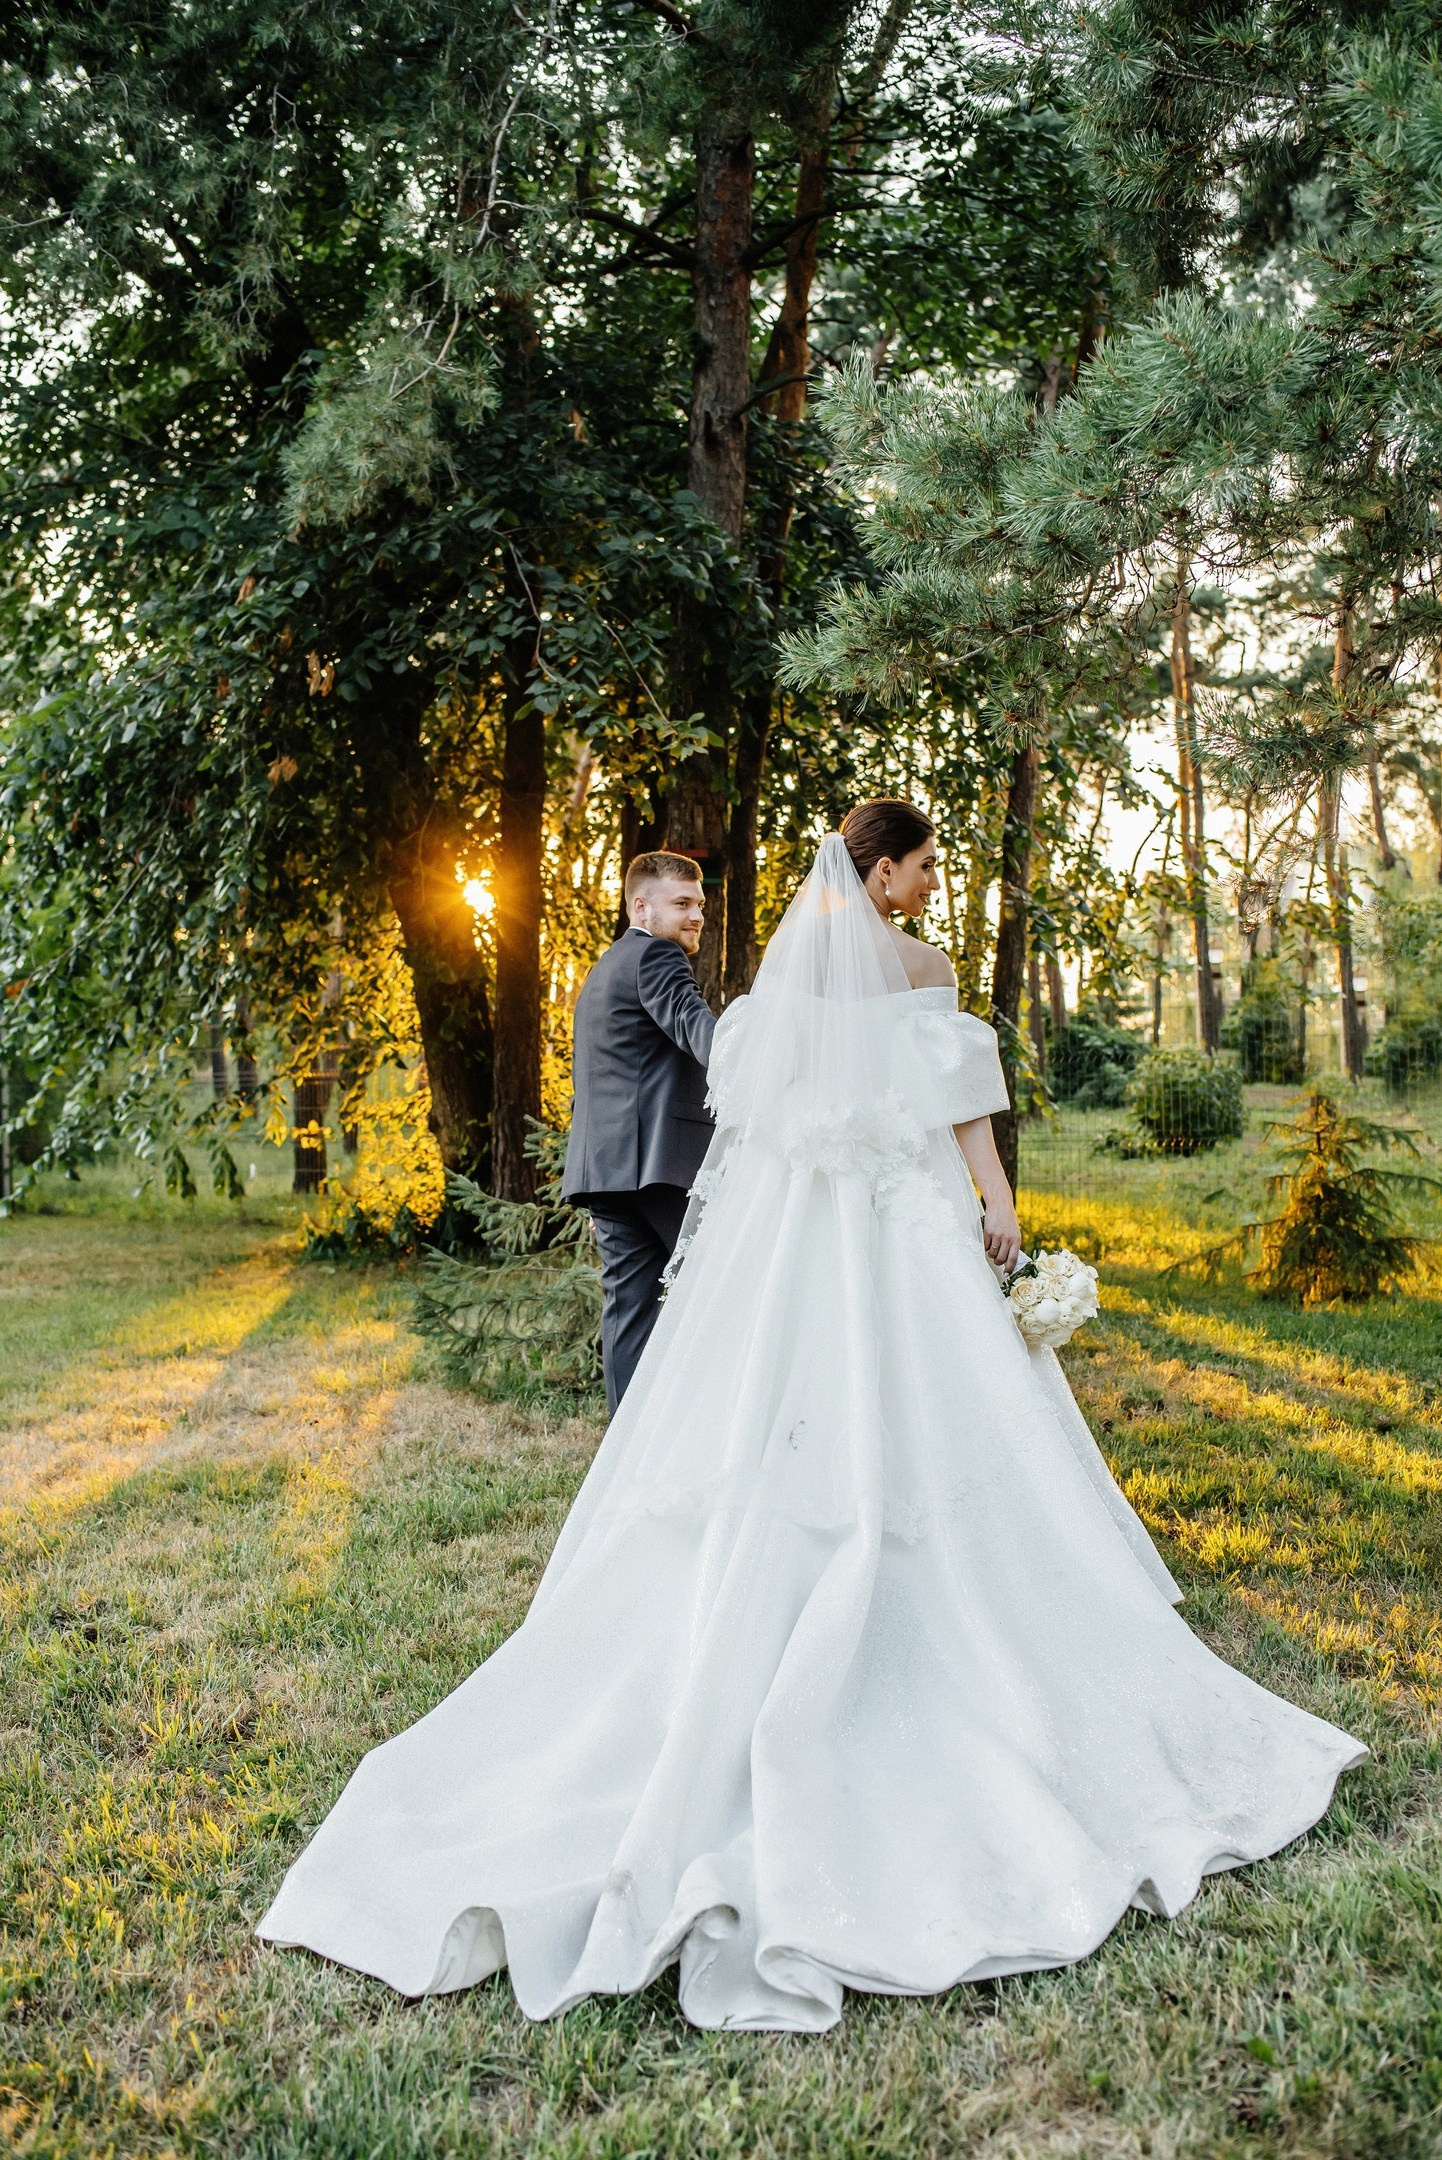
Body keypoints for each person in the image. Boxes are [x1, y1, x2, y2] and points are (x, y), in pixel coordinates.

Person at [256, 801, 1362, 2034]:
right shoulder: (922, 966)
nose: (934, 882)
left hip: (799, 1238)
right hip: (906, 1225)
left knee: (777, 1422)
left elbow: (750, 1106)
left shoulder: (785, 976)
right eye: (926, 863)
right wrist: (994, 1208)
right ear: (882, 873)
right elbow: (961, 1108)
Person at [560, 850, 717, 1410]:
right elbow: (701, 1033)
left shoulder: (605, 969)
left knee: (628, 1310)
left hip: (603, 1167)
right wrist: (764, 1048)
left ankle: (625, 1456)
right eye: (682, 904)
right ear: (641, 906)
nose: (696, 915)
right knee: (725, 1283)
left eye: (699, 904)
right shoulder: (657, 958)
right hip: (658, 1164)